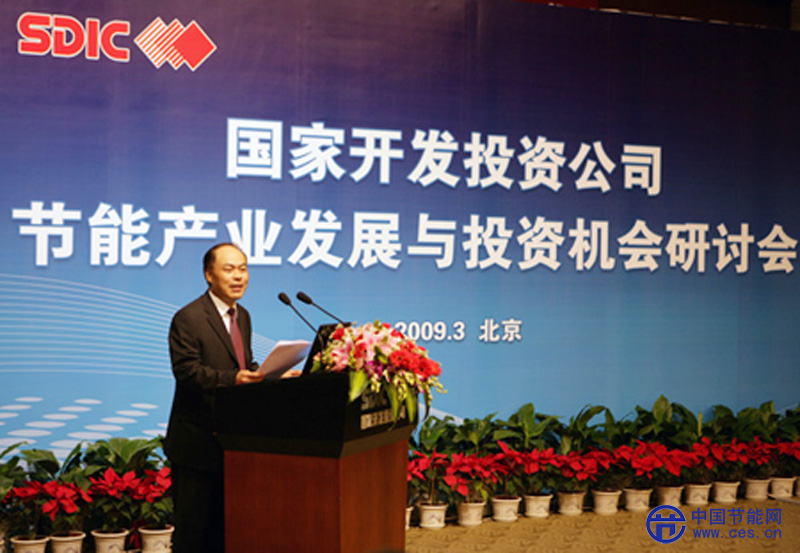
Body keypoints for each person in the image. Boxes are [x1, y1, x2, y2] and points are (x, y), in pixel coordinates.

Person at [164, 242, 268, 553]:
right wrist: (233, 379)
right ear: (209, 275)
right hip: (197, 445)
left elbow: (242, 364)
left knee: (225, 534)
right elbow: (187, 371)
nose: (238, 276)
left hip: (232, 441)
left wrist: (271, 374)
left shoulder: (243, 316)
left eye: (243, 269)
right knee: (194, 536)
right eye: (229, 269)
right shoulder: (189, 317)